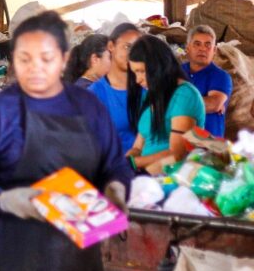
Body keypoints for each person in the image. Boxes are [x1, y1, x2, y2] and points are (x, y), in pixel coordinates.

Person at [0, 11, 132, 271]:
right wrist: (2, 201)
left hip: (77, 258)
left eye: (45, 58)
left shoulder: (88, 107)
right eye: (25, 59)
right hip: (8, 259)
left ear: (63, 58)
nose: (35, 68)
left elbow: (115, 165)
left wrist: (118, 188)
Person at [127, 35, 206, 174]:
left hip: (171, 180)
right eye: (135, 73)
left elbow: (177, 154)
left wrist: (133, 164)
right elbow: (138, 147)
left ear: (158, 66)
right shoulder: (152, 96)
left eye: (141, 71)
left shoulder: (184, 95)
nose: (137, 80)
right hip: (148, 178)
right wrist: (123, 162)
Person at [90, 23, 143, 153]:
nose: (132, 54)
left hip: (153, 166)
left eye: (136, 49)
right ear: (111, 46)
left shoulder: (146, 87)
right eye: (127, 47)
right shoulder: (94, 94)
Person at [181, 25, 232, 138]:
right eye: (197, 44)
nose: (202, 49)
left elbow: (213, 104)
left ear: (214, 50)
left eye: (208, 45)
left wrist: (171, 100)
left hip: (208, 146)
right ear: (188, 48)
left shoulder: (221, 76)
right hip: (178, 143)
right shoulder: (176, 72)